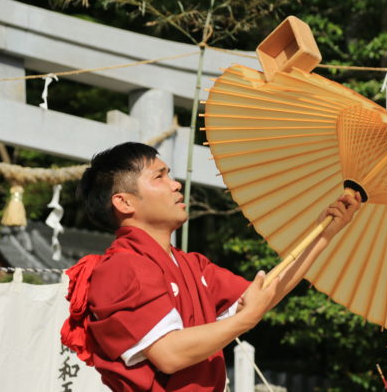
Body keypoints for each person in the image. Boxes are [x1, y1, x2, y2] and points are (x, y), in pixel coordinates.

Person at [61, 142, 361, 392]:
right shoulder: (121, 266)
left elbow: (262, 294)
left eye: (170, 175)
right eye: (159, 177)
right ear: (124, 203)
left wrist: (325, 233)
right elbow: (168, 354)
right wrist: (244, 321)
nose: (175, 184)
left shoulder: (191, 264)